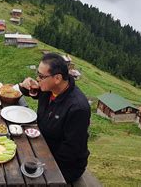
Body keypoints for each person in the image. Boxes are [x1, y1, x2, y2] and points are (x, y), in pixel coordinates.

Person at [19, 53, 90, 183]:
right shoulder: (50, 88)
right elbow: (34, 92)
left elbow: (72, 150)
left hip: (64, 165)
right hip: (42, 145)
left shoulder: (78, 108)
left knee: (21, 176)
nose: (37, 79)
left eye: (41, 76)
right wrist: (24, 86)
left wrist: (42, 160)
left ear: (57, 78)